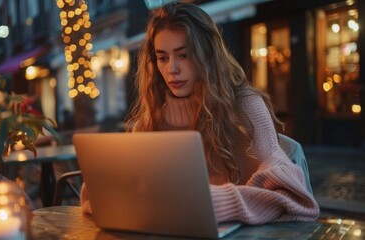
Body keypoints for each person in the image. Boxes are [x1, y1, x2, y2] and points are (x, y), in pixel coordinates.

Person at [81, 1, 320, 224]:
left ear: (207, 54)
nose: (172, 69)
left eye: (183, 55)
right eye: (162, 58)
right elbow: (99, 198)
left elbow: (290, 191)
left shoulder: (245, 105)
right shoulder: (149, 121)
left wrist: (214, 203)